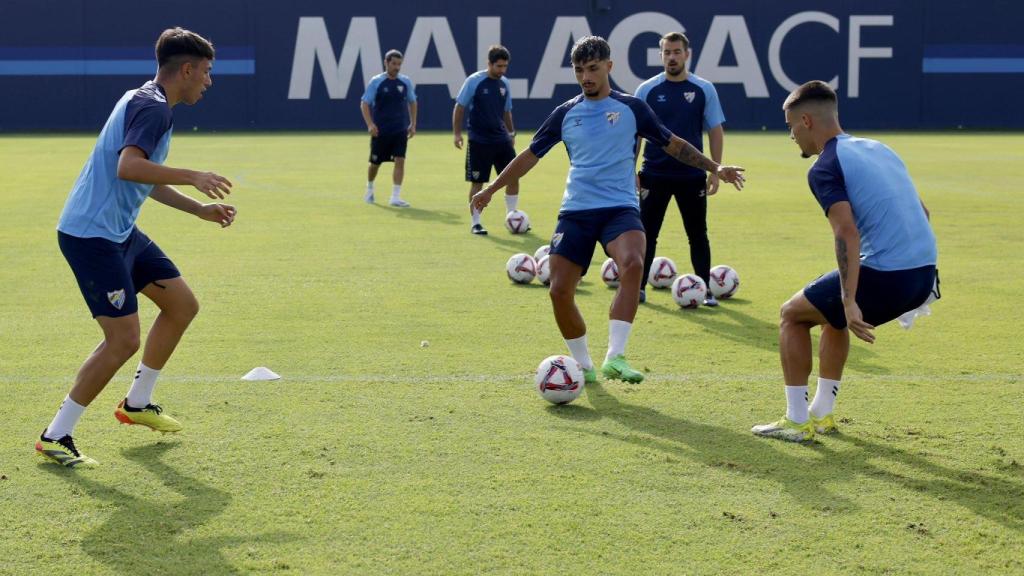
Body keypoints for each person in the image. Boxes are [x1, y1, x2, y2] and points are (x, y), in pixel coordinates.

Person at [471, 36, 745, 384]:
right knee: (559, 290)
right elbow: (528, 155)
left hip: (620, 207)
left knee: (632, 262)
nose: (586, 76)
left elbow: (673, 143)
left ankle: (616, 356)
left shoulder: (633, 108)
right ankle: (584, 365)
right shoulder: (565, 113)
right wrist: (492, 189)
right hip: (576, 210)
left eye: (593, 69)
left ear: (609, 67)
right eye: (580, 70)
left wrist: (714, 167)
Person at [36, 27, 236, 468]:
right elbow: (130, 167)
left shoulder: (146, 99)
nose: (208, 81)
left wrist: (197, 209)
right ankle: (56, 434)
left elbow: (145, 176)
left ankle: (138, 402)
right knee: (122, 339)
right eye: (205, 72)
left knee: (181, 305)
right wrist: (194, 175)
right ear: (185, 69)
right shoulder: (153, 109)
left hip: (118, 232)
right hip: (91, 236)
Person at [752, 80, 938, 442]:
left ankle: (796, 420)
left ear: (806, 121)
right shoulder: (879, 148)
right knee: (828, 310)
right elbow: (924, 213)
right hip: (924, 274)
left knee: (791, 314)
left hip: (890, 274)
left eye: (790, 126)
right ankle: (820, 413)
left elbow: (846, 233)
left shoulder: (825, 166)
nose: (791, 136)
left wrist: (851, 300)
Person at [634, 32, 726, 306]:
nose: (672, 57)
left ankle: (706, 290)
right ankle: (638, 288)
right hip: (654, 174)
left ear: (687, 54)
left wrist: (715, 170)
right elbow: (634, 134)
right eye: (667, 52)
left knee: (698, 233)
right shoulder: (647, 90)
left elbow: (715, 130)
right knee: (646, 234)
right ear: (661, 55)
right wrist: (631, 170)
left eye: (677, 51)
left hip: (691, 176)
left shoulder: (703, 89)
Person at [453, 45, 519, 235]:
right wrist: (457, 134)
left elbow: (507, 111)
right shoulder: (474, 81)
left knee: (513, 177)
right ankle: (476, 222)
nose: (502, 70)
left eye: (505, 66)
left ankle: (512, 217)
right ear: (489, 64)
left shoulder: (504, 83)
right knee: (478, 183)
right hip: (479, 140)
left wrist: (511, 133)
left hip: (501, 139)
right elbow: (459, 107)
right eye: (498, 66)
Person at [360, 49, 417, 207]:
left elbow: (413, 102)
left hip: (400, 130)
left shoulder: (405, 82)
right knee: (375, 163)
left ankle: (395, 196)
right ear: (386, 63)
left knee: (400, 160)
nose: (397, 67)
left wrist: (413, 124)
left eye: (399, 64)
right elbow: (364, 103)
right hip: (381, 131)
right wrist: (370, 124)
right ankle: (370, 187)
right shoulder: (376, 82)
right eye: (394, 64)